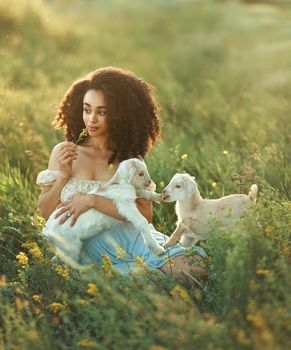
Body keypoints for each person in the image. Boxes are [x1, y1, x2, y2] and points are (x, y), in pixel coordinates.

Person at [36, 66, 208, 283]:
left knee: (195, 267)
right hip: (86, 247)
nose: (91, 119)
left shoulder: (129, 159)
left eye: (102, 112)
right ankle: (140, 281)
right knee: (147, 281)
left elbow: (145, 217)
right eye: (87, 109)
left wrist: (93, 200)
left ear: (119, 115)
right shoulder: (65, 152)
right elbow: (45, 212)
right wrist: (62, 176)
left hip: (131, 240)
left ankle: (141, 278)